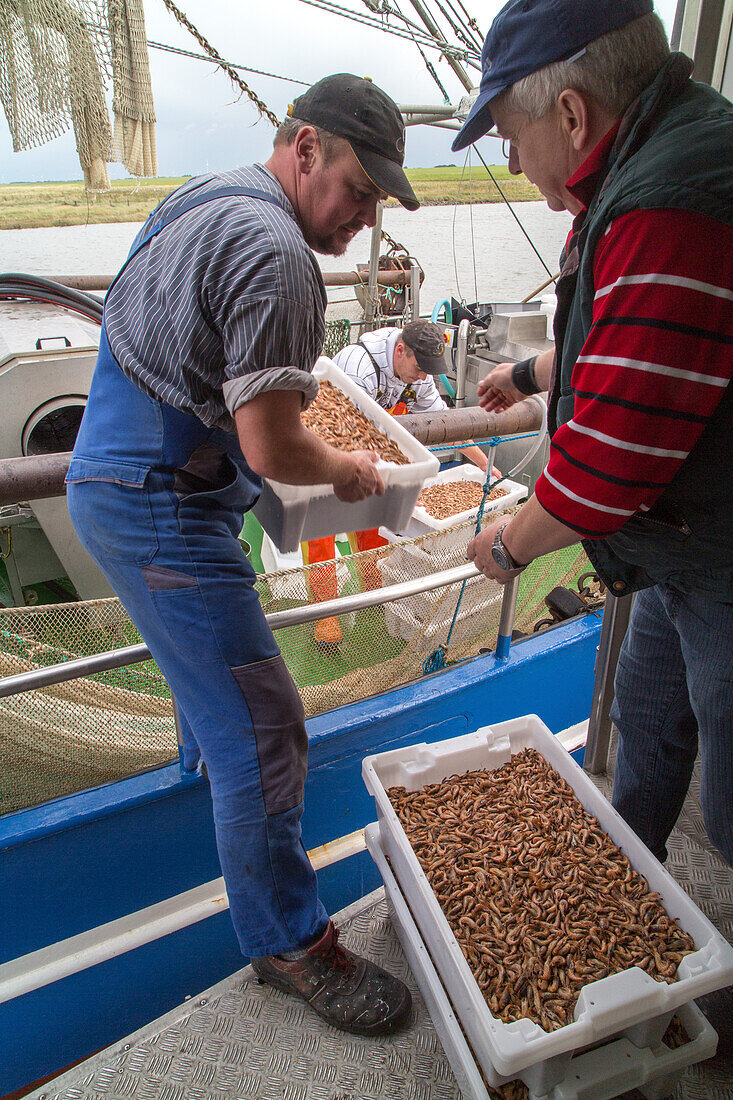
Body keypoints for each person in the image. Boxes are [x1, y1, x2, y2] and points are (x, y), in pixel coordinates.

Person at [65, 74, 418, 1035]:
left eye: (380, 198)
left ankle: (214, 795)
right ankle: (290, 945)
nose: (361, 214)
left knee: (222, 703)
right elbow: (271, 446)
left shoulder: (202, 195)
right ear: (303, 146)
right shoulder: (274, 249)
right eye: (356, 186)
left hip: (119, 477)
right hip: (159, 502)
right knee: (265, 726)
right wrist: (347, 465)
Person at [451, 0, 733, 869]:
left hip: (720, 554)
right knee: (644, 715)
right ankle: (630, 878)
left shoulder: (668, 202)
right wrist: (531, 375)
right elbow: (626, 343)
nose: (510, 159)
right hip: (676, 544)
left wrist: (509, 545)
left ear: (571, 114)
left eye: (509, 132)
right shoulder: (655, 159)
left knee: (730, 815)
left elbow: (605, 467)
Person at [304, 320, 493, 647]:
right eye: (420, 369)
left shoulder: (418, 376)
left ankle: (373, 595)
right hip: (329, 454)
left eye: (428, 372)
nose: (422, 378)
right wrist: (405, 482)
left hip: (374, 460)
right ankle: (325, 614)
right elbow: (353, 437)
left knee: (373, 529)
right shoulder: (357, 367)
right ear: (401, 350)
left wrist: (482, 461)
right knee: (322, 537)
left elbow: (442, 420)